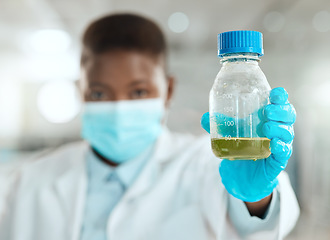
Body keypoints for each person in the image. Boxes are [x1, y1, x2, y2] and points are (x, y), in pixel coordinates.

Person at [0, 13, 299, 240]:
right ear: (81, 91)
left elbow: (258, 225)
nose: (118, 107)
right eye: (100, 93)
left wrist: (255, 197)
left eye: (139, 92)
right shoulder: (28, 182)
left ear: (167, 90)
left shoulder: (205, 164)